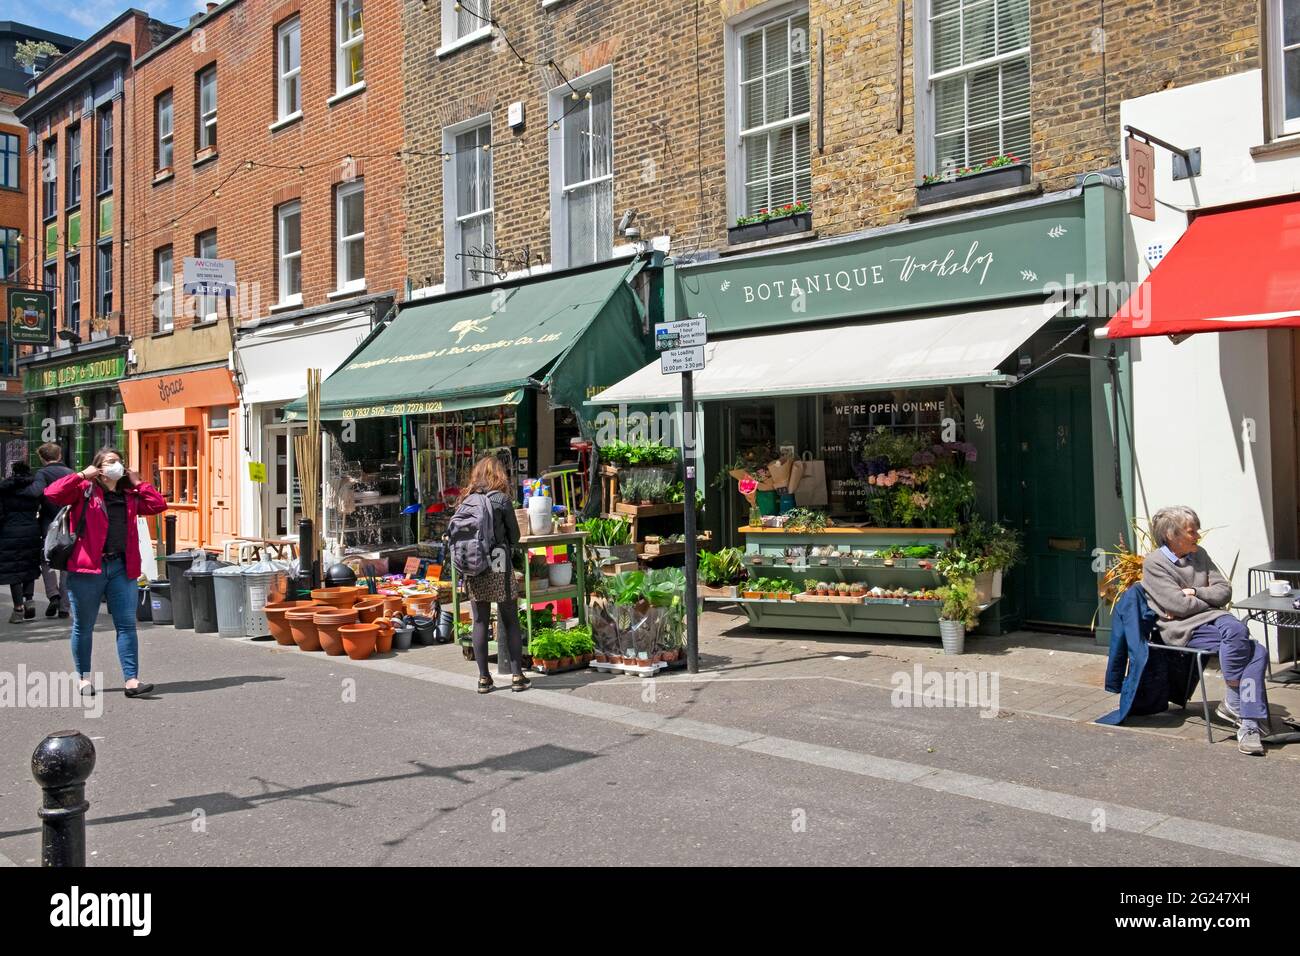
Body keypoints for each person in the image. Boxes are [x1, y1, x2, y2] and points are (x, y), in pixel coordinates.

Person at [1142, 505, 1271, 755]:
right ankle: (1247, 720)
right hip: (1182, 627)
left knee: (1241, 636)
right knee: (1257, 651)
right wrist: (1198, 601)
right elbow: (1177, 606)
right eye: (1192, 531)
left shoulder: (1199, 554)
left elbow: (1225, 590)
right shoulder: (1155, 563)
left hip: (1212, 619)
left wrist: (1196, 593)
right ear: (1172, 535)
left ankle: (1240, 711)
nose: (1198, 536)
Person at [44, 448, 167, 698]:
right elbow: (52, 493)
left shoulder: (129, 495)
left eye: (119, 462)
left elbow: (158, 504)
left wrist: (139, 482)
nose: (116, 466)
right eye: (111, 462)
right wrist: (81, 475)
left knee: (126, 625)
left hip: (122, 567)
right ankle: (83, 678)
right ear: (98, 468)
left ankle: (131, 680)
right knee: (84, 625)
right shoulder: (85, 490)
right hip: (88, 567)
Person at [460, 456, 529, 694]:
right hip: (499, 563)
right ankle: (518, 676)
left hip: (474, 566)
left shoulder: (468, 500)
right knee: (510, 619)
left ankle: (483, 678)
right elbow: (516, 537)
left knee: (479, 621)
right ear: (499, 475)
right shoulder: (502, 500)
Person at [0, 461, 45, 623]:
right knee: (29, 565)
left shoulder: (4, 489)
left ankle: (18, 609)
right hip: (32, 530)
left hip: (9, 531)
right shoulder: (35, 488)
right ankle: (29, 600)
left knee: (13, 571)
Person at [33, 443, 74, 617]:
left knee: (46, 559)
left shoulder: (42, 473)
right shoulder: (71, 473)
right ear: (59, 455)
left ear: (42, 458)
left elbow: (36, 492)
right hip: (69, 521)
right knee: (67, 563)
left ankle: (53, 594)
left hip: (49, 523)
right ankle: (65, 606)